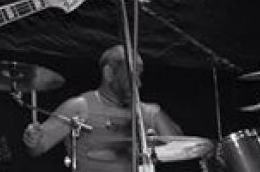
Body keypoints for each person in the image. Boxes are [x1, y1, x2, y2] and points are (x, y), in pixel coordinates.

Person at [23, 45, 182, 172]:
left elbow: (181, 148)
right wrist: (32, 139)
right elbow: (38, 147)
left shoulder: (146, 112)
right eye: (132, 77)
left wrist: (157, 115)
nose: (138, 84)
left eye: (139, 77)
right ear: (109, 73)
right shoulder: (80, 107)